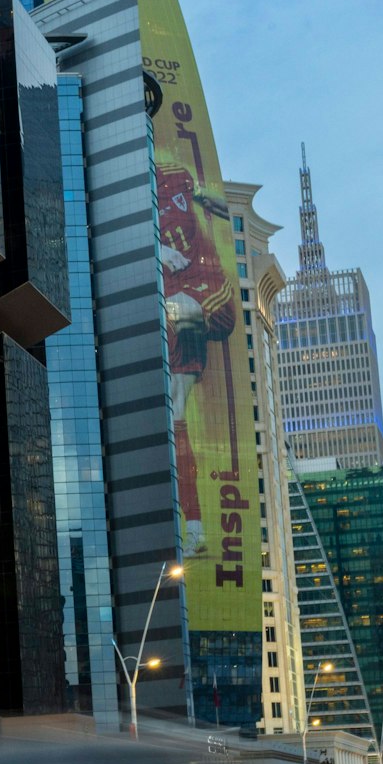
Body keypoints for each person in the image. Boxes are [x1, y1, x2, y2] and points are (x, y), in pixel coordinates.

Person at [157, 166, 234, 556]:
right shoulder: (122, 208)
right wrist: (156, 247)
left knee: (180, 309)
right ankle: (195, 528)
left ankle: (195, 527)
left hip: (207, 289)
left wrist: (211, 199)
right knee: (173, 413)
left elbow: (222, 205)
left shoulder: (174, 175)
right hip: (172, 303)